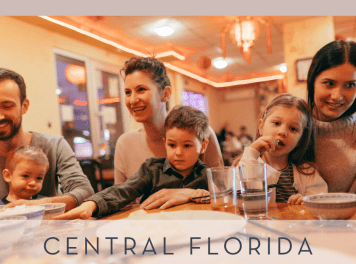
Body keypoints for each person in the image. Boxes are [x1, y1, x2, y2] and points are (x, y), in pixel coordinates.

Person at [54, 105, 210, 219]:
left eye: (187, 145)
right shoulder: (152, 169)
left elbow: (226, 196)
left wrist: (202, 195)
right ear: (165, 143)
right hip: (155, 233)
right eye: (172, 145)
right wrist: (92, 204)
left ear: (203, 146)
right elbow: (123, 191)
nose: (178, 152)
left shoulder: (207, 174)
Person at [114, 57, 223, 209]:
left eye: (141, 90)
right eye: (127, 92)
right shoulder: (124, 143)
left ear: (165, 94)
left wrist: (187, 194)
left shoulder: (202, 134)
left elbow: (224, 193)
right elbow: (121, 201)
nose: (132, 100)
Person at [0, 68, 94, 211]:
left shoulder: (54, 146)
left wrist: (37, 206)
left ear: (24, 106)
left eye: (7, 106)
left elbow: (85, 192)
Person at [233, 94, 327, 204]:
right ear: (261, 127)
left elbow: (321, 202)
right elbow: (241, 199)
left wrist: (306, 202)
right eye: (276, 123)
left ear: (300, 140)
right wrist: (251, 154)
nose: (283, 132)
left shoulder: (307, 173)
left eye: (293, 128)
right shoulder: (246, 164)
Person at [307, 40, 356, 193]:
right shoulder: (290, 125)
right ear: (312, 82)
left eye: (350, 85)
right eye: (329, 83)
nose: (337, 96)